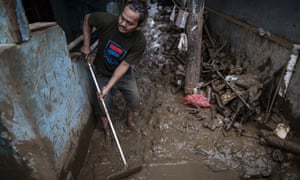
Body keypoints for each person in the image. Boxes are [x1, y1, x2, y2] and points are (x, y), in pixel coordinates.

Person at [81, 0, 148, 140]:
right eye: (122, 17)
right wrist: (86, 45)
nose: (122, 24)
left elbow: (124, 66)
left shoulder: (139, 41)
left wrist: (108, 87)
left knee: (134, 99)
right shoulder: (107, 21)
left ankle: (129, 120)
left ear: (139, 26)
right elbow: (88, 19)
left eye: (129, 23)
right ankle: (106, 130)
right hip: (102, 71)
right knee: (102, 104)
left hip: (123, 74)